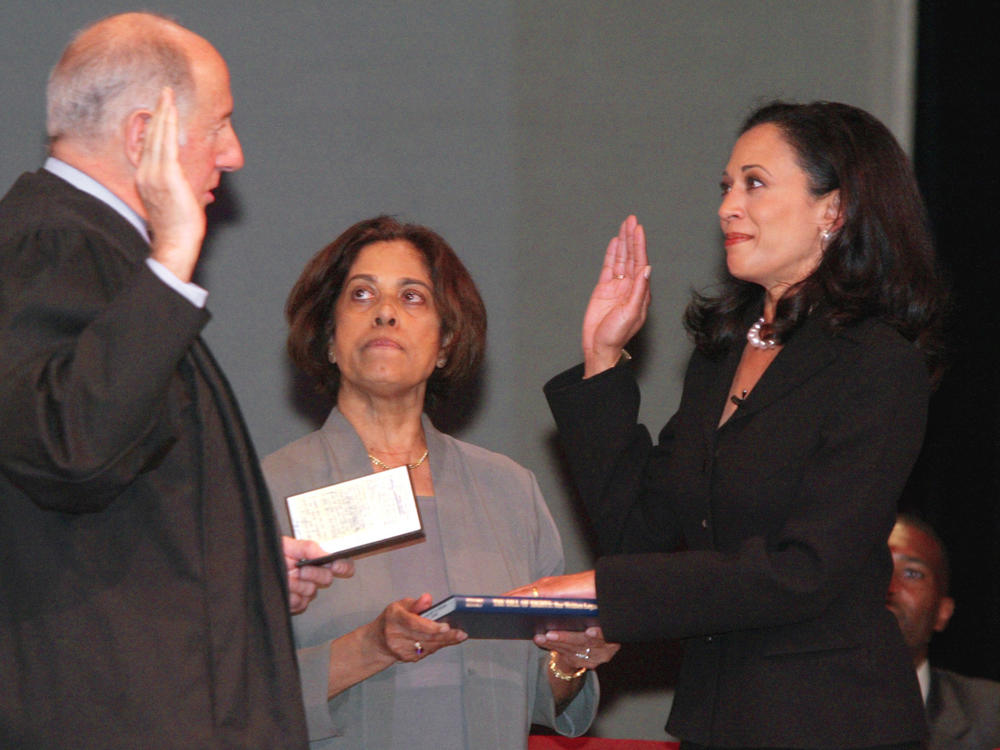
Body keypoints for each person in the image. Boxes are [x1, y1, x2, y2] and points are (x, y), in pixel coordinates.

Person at [513, 101, 947, 748]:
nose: (727, 207)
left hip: (833, 722)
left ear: (835, 208)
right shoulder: (719, 360)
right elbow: (639, 535)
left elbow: (806, 569)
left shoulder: (880, 365)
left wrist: (605, 590)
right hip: (716, 722)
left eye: (755, 183)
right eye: (726, 186)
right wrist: (603, 360)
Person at [0, 13, 348, 748]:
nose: (235, 153)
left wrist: (240, 562)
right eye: (218, 125)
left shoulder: (86, 250)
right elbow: (69, 445)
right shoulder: (50, 239)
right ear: (143, 137)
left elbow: (108, 480)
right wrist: (174, 254)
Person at [262, 215, 618, 749]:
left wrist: (571, 662)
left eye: (412, 298)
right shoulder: (267, 492)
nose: (385, 312)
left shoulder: (509, 492)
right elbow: (224, 692)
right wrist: (372, 646)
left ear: (446, 344)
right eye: (361, 295)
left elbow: (539, 696)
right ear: (330, 340)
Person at [887, 514, 1000, 749]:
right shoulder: (799, 705)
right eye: (878, 570)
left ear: (942, 612)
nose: (890, 588)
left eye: (911, 573)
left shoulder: (992, 716)